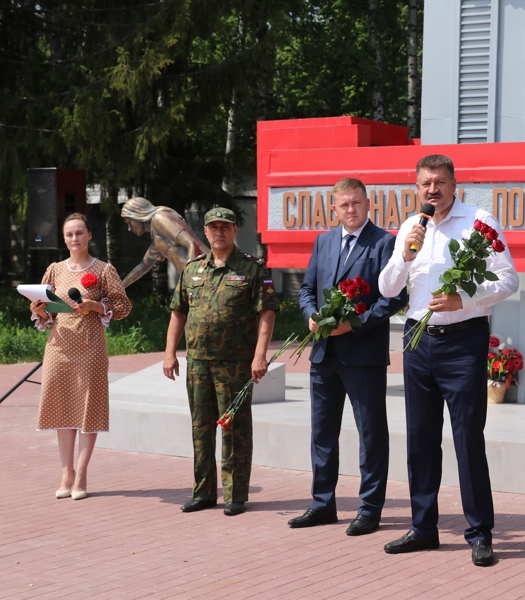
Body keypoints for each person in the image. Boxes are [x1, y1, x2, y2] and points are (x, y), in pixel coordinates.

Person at [378, 154, 518, 567]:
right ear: (416, 187)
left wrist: (466, 298)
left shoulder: (479, 221)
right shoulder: (410, 226)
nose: (432, 189)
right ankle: (423, 528)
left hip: (462, 342)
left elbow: (507, 277)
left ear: (454, 185)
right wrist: (404, 255)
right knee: (420, 439)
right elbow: (387, 289)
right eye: (425, 183)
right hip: (418, 342)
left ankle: (480, 532)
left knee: (467, 438)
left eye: (440, 182)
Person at [290, 178, 407, 535]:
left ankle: (370, 508)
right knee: (322, 433)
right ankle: (323, 504)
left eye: (356, 203)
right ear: (335, 208)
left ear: (368, 204)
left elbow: (395, 297)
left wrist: (354, 325)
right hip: (324, 354)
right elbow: (307, 288)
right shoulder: (324, 241)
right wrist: (310, 314)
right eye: (344, 205)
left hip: (363, 354)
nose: (351, 210)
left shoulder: (385, 242)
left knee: (371, 434)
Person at [163, 207, 279, 517]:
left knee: (235, 430)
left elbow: (266, 313)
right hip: (198, 363)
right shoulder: (192, 270)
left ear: (234, 230)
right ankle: (203, 493)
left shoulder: (252, 269)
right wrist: (170, 352)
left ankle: (235, 494)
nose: (219, 232)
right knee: (200, 429)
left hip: (236, 364)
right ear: (205, 231)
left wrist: (259, 355)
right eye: (213, 227)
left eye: (225, 227)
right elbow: (179, 311)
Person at [29, 213, 132, 501]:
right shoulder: (54, 269)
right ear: (64, 239)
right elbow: (46, 311)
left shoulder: (103, 269)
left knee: (89, 408)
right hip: (58, 346)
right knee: (61, 407)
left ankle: (82, 472)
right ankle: (66, 472)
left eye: (79, 233)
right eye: (69, 234)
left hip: (90, 347)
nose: (74, 238)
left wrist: (95, 306)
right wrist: (38, 310)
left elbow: (123, 306)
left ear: (89, 235)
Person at [119, 197, 209, 288]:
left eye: (129, 222)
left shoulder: (160, 218)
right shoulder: (158, 237)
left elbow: (192, 243)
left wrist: (193, 281)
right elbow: (144, 265)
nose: (129, 228)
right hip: (199, 280)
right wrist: (120, 287)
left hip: (206, 275)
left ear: (137, 215)